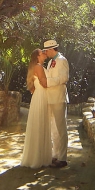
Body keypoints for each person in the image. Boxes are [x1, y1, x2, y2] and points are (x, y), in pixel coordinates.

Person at [19, 49, 52, 168]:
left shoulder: (37, 66)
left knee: (39, 124)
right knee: (40, 124)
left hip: (39, 96)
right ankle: (38, 158)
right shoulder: (38, 67)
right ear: (38, 56)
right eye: (42, 52)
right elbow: (44, 83)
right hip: (41, 96)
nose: (45, 53)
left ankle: (38, 157)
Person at [42, 39, 70, 168]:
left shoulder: (62, 60)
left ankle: (63, 158)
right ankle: (56, 154)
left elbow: (64, 78)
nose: (45, 53)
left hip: (59, 98)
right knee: (53, 128)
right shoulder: (50, 62)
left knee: (61, 128)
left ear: (52, 49)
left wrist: (49, 82)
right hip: (50, 98)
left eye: (46, 50)